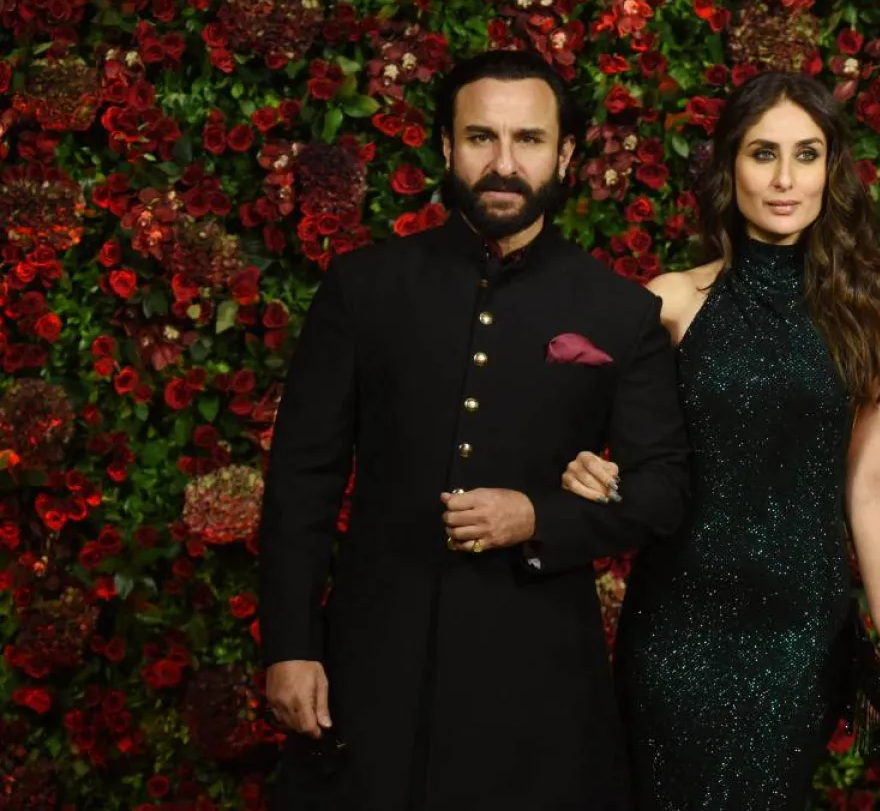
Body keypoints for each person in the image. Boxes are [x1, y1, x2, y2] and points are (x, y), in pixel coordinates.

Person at [258, 50, 690, 811]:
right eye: (481, 137)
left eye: (529, 139)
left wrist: (536, 515)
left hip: (539, 679)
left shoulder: (620, 311)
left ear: (565, 155)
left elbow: (664, 490)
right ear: (446, 147)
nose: (504, 164)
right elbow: (303, 479)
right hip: (372, 659)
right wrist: (291, 646)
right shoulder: (364, 287)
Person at [560, 71, 880, 809]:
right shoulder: (671, 301)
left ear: (832, 169)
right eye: (763, 154)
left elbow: (876, 488)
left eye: (806, 154)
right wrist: (586, 467)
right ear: (730, 167)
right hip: (677, 624)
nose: (785, 179)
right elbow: (583, 438)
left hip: (800, 629)